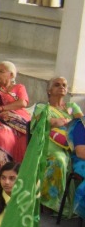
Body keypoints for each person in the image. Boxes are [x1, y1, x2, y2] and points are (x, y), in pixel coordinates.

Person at [40, 76, 83, 208]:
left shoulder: (72, 106)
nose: (61, 87)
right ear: (49, 90)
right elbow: (51, 123)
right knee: (59, 159)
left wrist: (63, 123)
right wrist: (66, 123)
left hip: (72, 145)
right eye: (57, 85)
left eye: (64, 85)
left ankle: (77, 203)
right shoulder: (42, 108)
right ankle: (52, 202)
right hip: (50, 142)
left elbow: (82, 125)